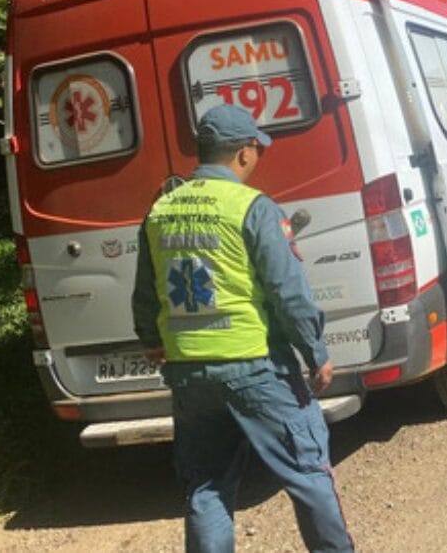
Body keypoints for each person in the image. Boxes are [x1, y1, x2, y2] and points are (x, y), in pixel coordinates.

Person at [132, 104, 353, 552]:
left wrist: (153, 339)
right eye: (257, 148)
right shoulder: (253, 207)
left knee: (206, 486)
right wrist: (315, 350)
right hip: (255, 366)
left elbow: (146, 291)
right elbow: (286, 289)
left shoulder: (160, 210)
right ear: (244, 152)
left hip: (190, 372)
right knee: (308, 473)